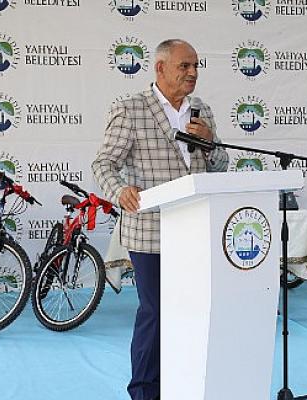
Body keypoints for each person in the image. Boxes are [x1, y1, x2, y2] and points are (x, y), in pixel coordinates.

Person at [91, 39, 229, 400]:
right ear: (161, 68)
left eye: (196, 66)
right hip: (150, 232)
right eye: (185, 66)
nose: (193, 73)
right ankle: (144, 391)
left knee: (191, 313)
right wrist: (119, 190)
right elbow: (104, 164)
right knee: (156, 312)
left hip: (196, 231)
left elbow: (220, 166)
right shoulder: (130, 109)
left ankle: (183, 384)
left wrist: (210, 142)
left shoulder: (202, 111)